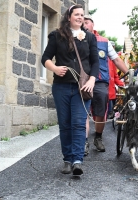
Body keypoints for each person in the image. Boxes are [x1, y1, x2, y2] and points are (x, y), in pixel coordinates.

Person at [41, 4, 99, 176]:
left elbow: (95, 62)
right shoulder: (57, 36)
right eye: (76, 14)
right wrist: (55, 69)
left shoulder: (89, 38)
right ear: (69, 17)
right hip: (61, 87)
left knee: (79, 124)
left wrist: (92, 80)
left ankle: (77, 161)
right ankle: (67, 159)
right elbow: (45, 58)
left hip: (83, 87)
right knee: (65, 124)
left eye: (82, 15)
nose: (80, 17)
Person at [83, 15, 128, 153]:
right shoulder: (76, 38)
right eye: (82, 22)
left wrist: (129, 73)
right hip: (82, 81)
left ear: (92, 25)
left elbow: (116, 60)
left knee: (100, 113)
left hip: (100, 82)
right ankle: (83, 142)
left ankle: (98, 137)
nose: (84, 25)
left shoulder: (104, 42)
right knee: (82, 112)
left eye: (87, 22)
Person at [107, 41, 125, 119]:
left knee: (110, 114)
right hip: (101, 89)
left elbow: (115, 76)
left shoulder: (112, 61)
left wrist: (122, 84)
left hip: (110, 89)